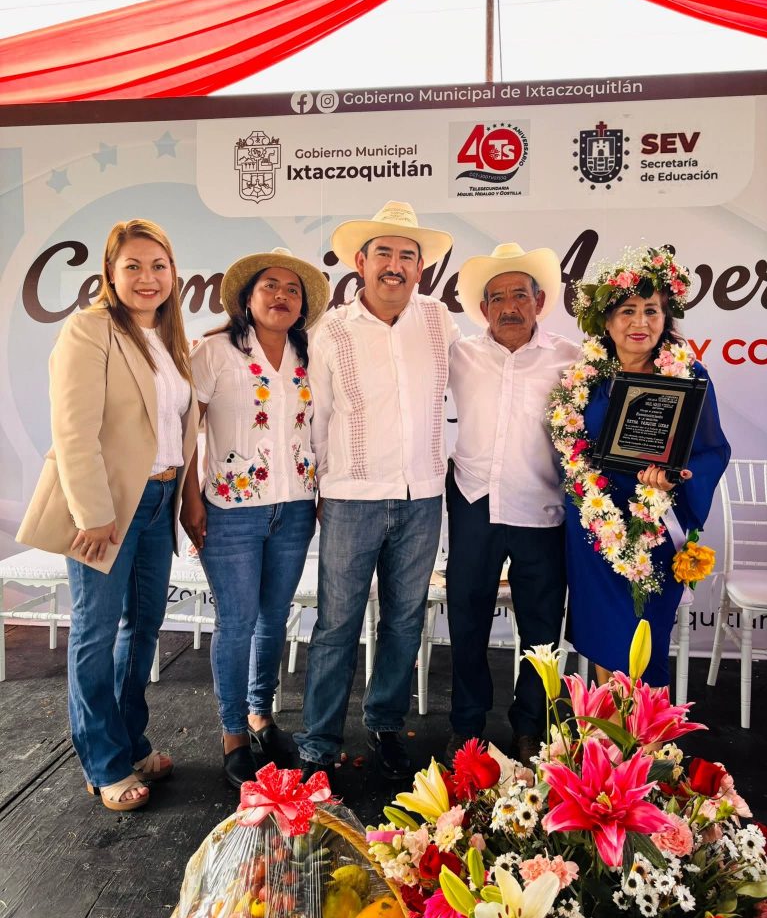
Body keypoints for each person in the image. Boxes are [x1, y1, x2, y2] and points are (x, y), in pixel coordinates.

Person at [17, 219, 198, 812]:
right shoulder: (89, 329)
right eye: (133, 266)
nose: (148, 278)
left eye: (158, 266)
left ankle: (129, 742)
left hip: (159, 500)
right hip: (108, 507)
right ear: (110, 273)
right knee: (95, 633)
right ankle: (103, 763)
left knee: (143, 627)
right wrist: (93, 514)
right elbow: (74, 431)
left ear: (173, 273)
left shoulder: (171, 338)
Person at [294, 201, 459, 782]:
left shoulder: (440, 321)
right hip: (350, 497)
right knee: (336, 623)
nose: (395, 264)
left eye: (407, 255)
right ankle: (318, 741)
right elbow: (316, 416)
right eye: (383, 253)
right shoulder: (331, 330)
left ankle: (385, 724)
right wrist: (321, 485)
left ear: (421, 267)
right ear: (360, 263)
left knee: (404, 621)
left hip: (422, 496)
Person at [181, 247, 330, 789]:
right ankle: (233, 735)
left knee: (274, 618)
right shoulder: (215, 351)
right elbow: (187, 429)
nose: (282, 295)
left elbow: (318, 429)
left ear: (302, 306)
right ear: (247, 298)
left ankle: (261, 715)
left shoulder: (310, 355)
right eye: (271, 285)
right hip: (229, 510)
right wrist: (190, 498)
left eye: (293, 289)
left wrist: (320, 493)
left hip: (295, 508)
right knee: (238, 622)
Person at [553, 246, 730, 688]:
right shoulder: (587, 378)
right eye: (627, 311)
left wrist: (673, 480)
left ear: (665, 318)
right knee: (601, 635)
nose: (640, 322)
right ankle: (601, 730)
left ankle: (644, 732)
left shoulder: (687, 376)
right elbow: (571, 447)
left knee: (641, 636)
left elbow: (711, 451)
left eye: (651, 310)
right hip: (594, 523)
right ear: (605, 321)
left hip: (653, 526)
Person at [445, 243, 578, 766]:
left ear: (539, 302)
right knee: (467, 620)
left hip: (541, 508)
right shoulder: (459, 354)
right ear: (483, 310)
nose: (508, 307)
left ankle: (531, 727)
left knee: (541, 631)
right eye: (496, 298)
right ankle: (467, 727)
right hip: (473, 502)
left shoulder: (571, 358)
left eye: (519, 295)